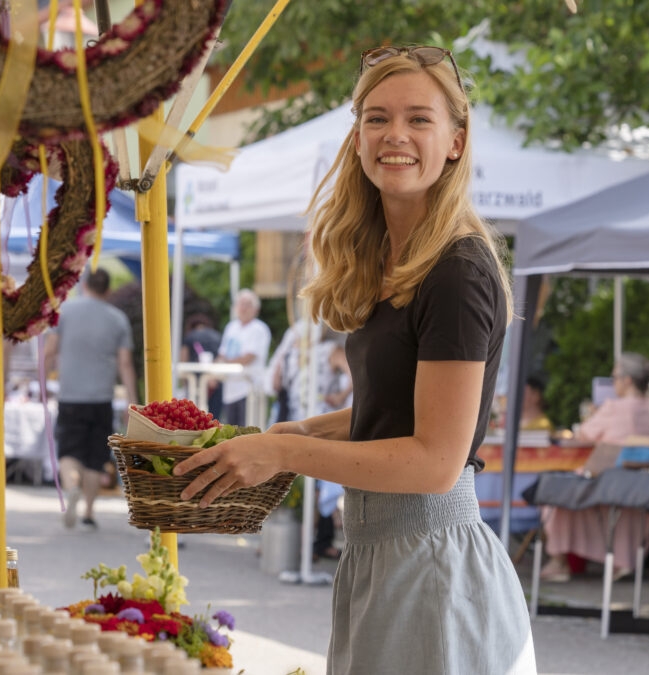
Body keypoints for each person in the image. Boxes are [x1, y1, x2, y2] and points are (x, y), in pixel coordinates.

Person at [172, 47, 536, 673]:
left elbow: (435, 461)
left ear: (456, 140)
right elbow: (393, 412)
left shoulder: (457, 270)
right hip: (386, 553)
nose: (395, 134)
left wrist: (282, 454)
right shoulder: (401, 262)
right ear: (358, 135)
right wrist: (296, 431)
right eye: (376, 117)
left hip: (432, 564)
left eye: (419, 119)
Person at [540, 352, 649, 582]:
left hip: (608, 476)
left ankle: (559, 561)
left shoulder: (614, 407)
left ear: (628, 380)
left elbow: (583, 434)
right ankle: (623, 560)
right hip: (644, 482)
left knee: (553, 495)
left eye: (615, 376)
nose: (613, 381)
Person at [44, 268, 138, 530]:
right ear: (108, 290)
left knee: (69, 451)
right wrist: (132, 400)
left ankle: (72, 485)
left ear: (83, 285)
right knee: (96, 455)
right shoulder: (117, 319)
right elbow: (125, 363)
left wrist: (41, 379)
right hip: (101, 397)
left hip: (71, 395)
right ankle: (88, 511)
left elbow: (50, 351)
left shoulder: (65, 312)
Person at [217, 289, 270, 426]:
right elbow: (222, 353)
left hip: (249, 389)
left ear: (255, 309)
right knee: (231, 431)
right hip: (231, 389)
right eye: (241, 304)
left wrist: (224, 363)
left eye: (248, 304)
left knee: (247, 432)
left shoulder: (259, 329)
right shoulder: (231, 327)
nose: (243, 308)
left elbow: (248, 357)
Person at [179, 313, 223, 415]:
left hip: (195, 381)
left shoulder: (190, 337)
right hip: (215, 381)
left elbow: (183, 358)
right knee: (214, 416)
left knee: (196, 416)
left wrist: (184, 382)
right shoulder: (216, 335)